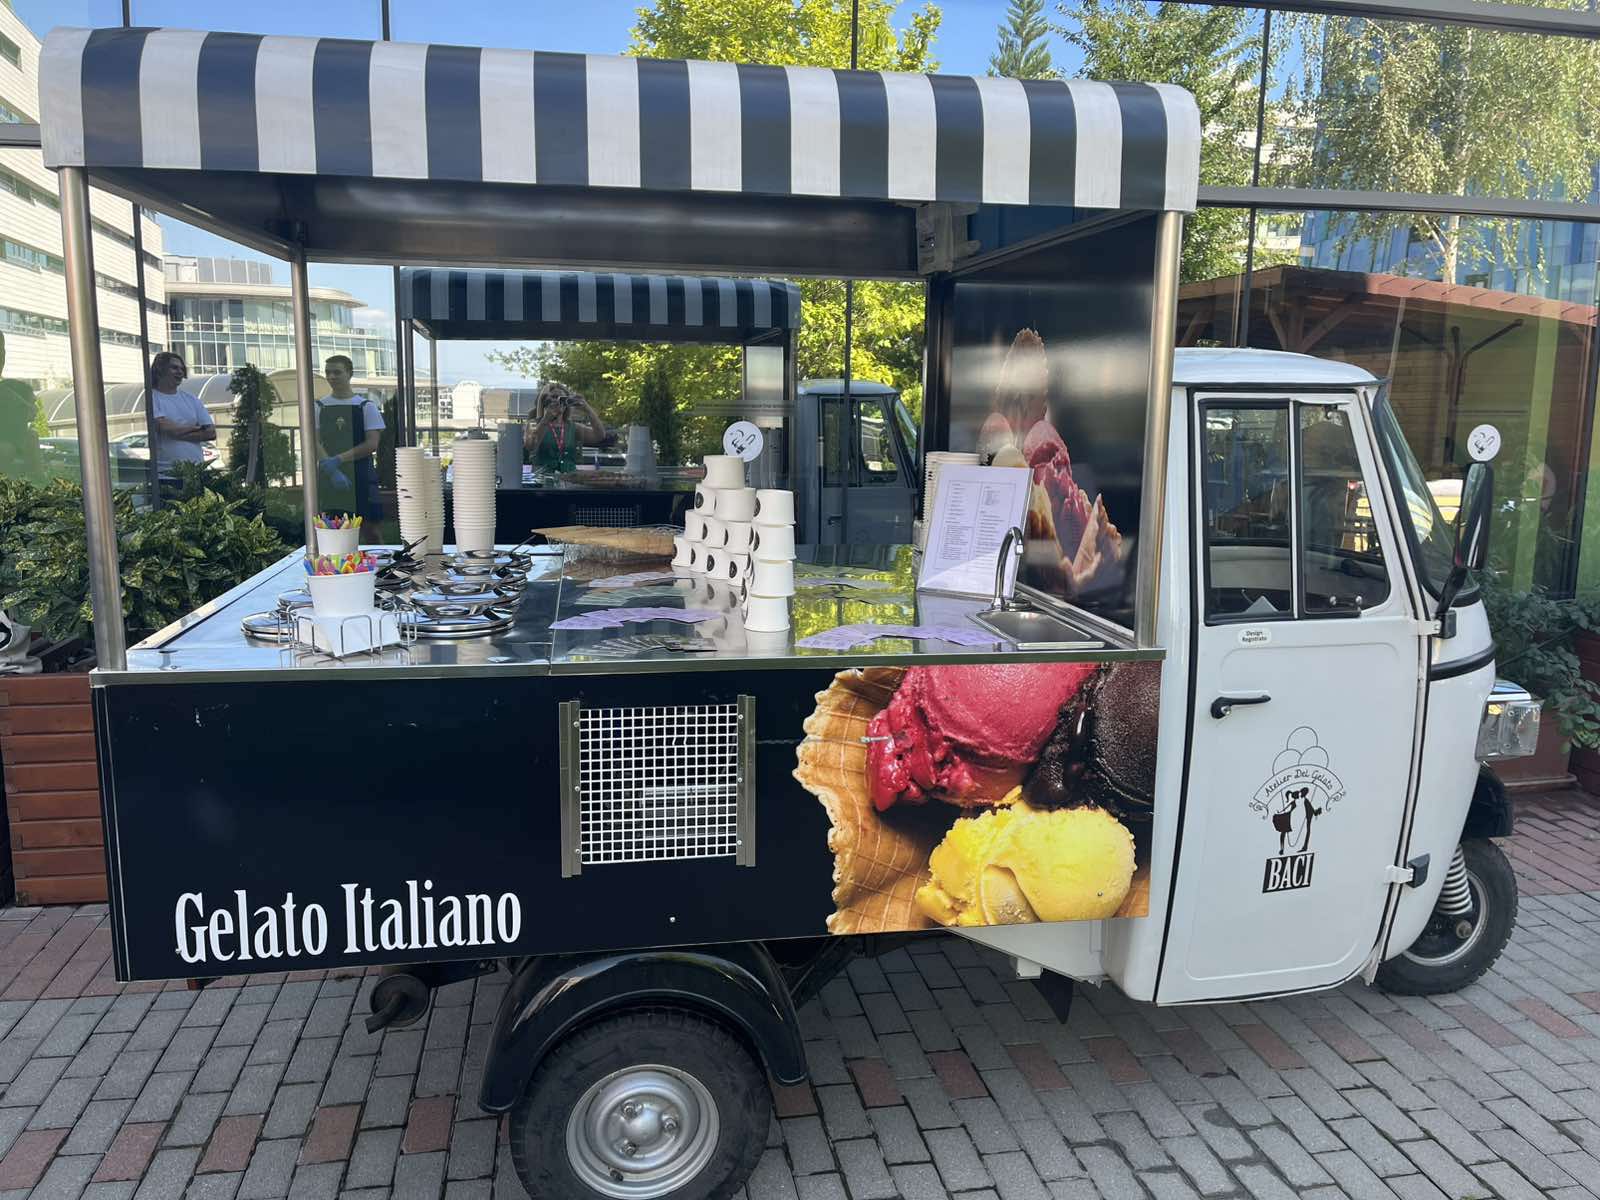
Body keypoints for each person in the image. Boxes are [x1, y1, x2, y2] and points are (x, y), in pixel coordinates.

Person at [315, 355, 384, 526]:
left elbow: (372, 444)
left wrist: (338, 460)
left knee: (370, 530)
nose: (331, 377)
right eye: (328, 372)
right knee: (333, 529)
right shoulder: (318, 407)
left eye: (337, 372)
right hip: (329, 477)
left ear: (349, 374)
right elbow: (313, 441)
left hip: (362, 474)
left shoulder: (366, 406)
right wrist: (331, 470)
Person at [149, 351, 213, 481]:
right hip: (166, 475)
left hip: (196, 473)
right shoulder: (152, 397)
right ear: (160, 370)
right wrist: (196, 428)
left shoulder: (191, 399)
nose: (180, 372)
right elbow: (166, 429)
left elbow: (211, 433)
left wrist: (177, 431)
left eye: (181, 368)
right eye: (174, 368)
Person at [524, 382, 607, 473]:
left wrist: (587, 409)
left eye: (562, 399)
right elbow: (530, 446)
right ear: (545, 401)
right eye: (554, 397)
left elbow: (599, 436)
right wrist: (545, 420)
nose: (557, 401)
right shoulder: (534, 424)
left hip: (569, 478)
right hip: (543, 479)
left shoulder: (572, 427)